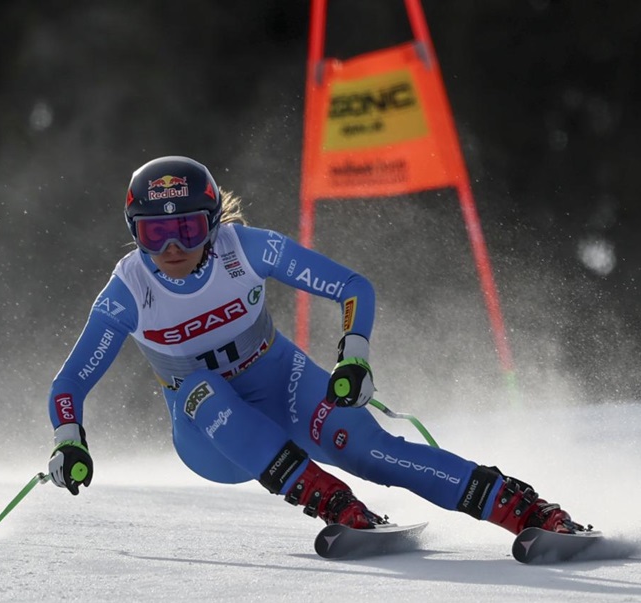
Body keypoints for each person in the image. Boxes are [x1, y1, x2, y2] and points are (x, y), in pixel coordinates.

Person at [46, 155, 585, 536]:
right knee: (201, 387)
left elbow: (353, 287)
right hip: (212, 439)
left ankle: (525, 509)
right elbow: (70, 382)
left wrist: (355, 356)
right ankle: (333, 503)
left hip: (279, 381)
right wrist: (68, 441)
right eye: (151, 234)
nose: (171, 248)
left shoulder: (247, 249)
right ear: (133, 234)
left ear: (212, 225)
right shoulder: (129, 289)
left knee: (370, 449)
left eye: (187, 230)